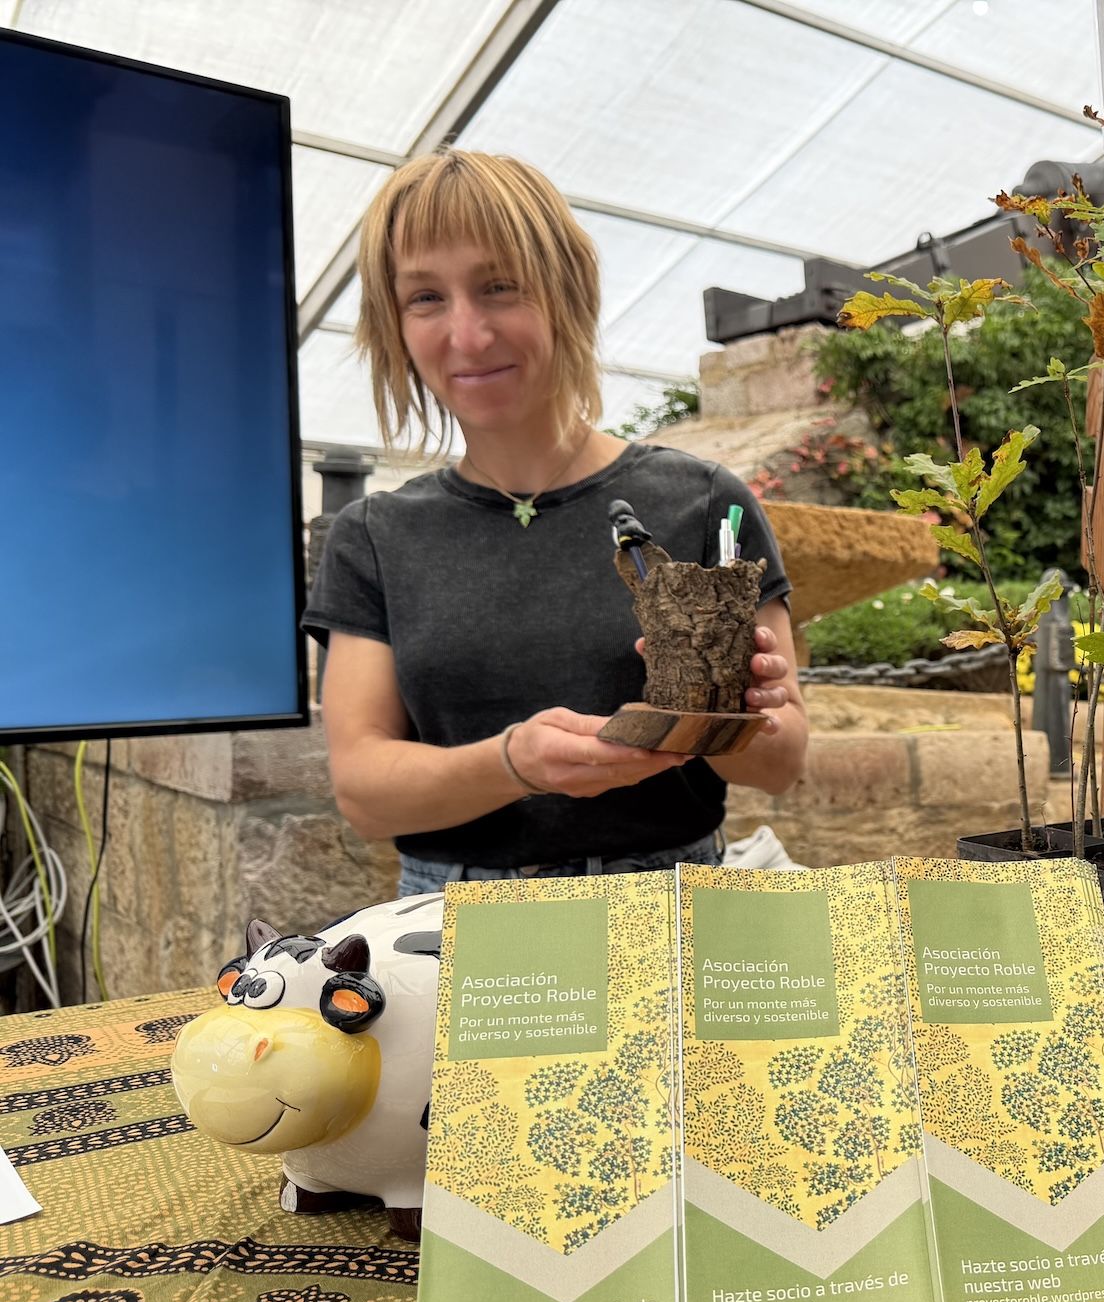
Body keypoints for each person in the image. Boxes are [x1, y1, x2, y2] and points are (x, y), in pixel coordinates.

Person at [302, 150, 807, 897]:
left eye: (499, 287)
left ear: (567, 290)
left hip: (671, 904)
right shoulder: (376, 536)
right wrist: (511, 763)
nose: (468, 335)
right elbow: (364, 793)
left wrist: (735, 711)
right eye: (426, 298)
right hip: (459, 920)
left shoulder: (704, 504)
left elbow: (781, 763)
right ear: (393, 325)